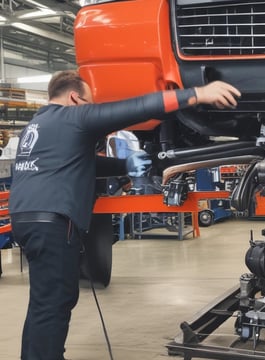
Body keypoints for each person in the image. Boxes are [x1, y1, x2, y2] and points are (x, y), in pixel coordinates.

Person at [9, 70, 241, 360]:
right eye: (89, 101)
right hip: (54, 222)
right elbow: (136, 107)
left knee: (43, 302)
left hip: (26, 219)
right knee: (55, 303)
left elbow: (82, 162)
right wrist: (197, 94)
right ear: (74, 97)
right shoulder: (75, 116)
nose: (91, 107)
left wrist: (124, 165)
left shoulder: (40, 123)